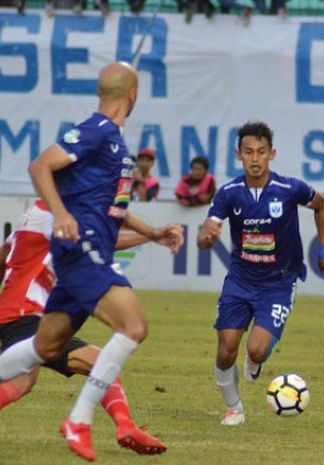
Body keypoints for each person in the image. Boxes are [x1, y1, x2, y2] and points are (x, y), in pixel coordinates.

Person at [0, 62, 183, 461]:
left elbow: (110, 212)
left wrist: (152, 233)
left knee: (42, 352)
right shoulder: (95, 131)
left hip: (77, 263)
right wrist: (61, 213)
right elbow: (40, 165)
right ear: (133, 95)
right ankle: (84, 421)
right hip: (74, 262)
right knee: (133, 327)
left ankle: (111, 423)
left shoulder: (115, 146)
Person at [0, 200, 182, 454]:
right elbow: (99, 242)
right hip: (25, 314)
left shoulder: (35, 216)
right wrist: (149, 236)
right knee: (97, 361)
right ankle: (124, 425)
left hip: (22, 313)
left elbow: (5, 253)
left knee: (24, 382)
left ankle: (125, 426)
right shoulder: (55, 213)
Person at [197, 121, 324, 427]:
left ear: (272, 154)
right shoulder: (229, 193)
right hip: (240, 279)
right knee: (225, 350)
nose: (255, 158)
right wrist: (206, 237)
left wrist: (323, 249)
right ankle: (234, 408)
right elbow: (205, 234)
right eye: (248, 152)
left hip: (279, 282)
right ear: (238, 155)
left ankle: (256, 358)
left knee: (256, 349)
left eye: (261, 152)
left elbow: (321, 205)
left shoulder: (289, 189)